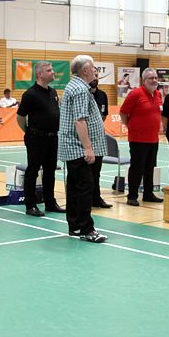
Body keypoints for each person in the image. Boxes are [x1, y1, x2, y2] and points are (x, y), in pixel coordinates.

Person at [58, 55, 107, 243]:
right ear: (85, 70)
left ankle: (76, 225)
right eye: (94, 67)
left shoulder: (75, 86)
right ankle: (87, 229)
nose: (96, 71)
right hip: (78, 148)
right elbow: (80, 120)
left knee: (75, 187)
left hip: (73, 147)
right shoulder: (79, 89)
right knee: (85, 188)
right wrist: (88, 148)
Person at [16, 61, 65, 217]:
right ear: (40, 74)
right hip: (36, 138)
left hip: (52, 138)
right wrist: (29, 131)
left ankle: (50, 202)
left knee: (50, 171)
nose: (53, 72)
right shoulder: (30, 94)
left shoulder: (53, 92)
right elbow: (20, 117)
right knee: (33, 171)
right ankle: (30, 205)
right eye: (49, 70)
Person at [120, 68, 164, 205]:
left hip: (153, 139)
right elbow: (123, 112)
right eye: (151, 78)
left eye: (156, 77)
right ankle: (132, 196)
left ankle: (148, 194)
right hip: (138, 139)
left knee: (150, 167)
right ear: (143, 81)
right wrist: (131, 126)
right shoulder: (135, 94)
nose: (154, 80)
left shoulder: (157, 94)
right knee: (137, 168)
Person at [88, 77, 112, 208]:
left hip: (98, 138)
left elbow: (104, 115)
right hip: (84, 138)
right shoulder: (83, 93)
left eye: (96, 75)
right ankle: (85, 199)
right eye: (93, 75)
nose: (94, 78)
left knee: (96, 171)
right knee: (86, 172)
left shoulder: (102, 95)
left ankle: (96, 198)